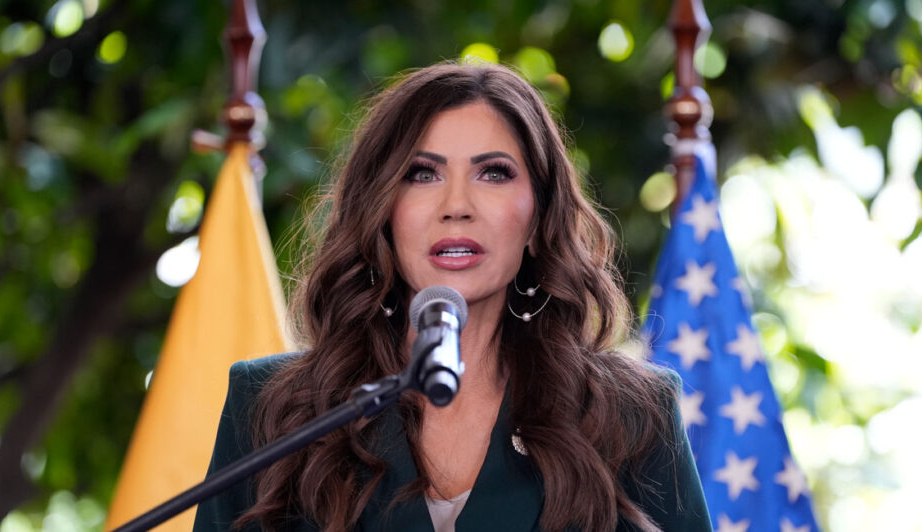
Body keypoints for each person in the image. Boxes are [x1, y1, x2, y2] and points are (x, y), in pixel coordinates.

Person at [194, 62, 712, 532]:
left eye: (493, 173)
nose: (456, 205)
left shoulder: (633, 414)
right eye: (423, 174)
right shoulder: (269, 407)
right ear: (384, 212)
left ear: (538, 218)